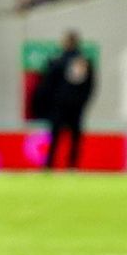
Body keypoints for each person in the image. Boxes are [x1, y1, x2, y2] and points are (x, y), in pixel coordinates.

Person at [43, 31, 97, 169]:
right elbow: (90, 86)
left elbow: (48, 85)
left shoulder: (58, 62)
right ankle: (72, 166)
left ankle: (50, 165)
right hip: (76, 107)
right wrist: (82, 102)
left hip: (59, 106)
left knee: (55, 136)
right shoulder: (84, 62)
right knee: (75, 137)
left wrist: (51, 103)